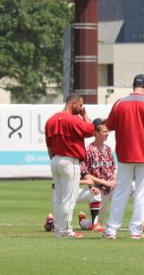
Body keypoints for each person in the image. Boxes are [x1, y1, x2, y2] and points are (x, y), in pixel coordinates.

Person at [103, 74, 144, 240]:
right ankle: (136, 230)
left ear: (133, 86)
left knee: (120, 192)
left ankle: (111, 230)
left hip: (125, 153)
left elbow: (109, 126)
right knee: (142, 193)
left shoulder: (120, 103)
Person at [44, 93, 95, 238]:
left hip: (55, 161)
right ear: (73, 103)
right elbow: (91, 130)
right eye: (80, 105)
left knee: (60, 198)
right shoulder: (74, 120)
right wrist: (85, 116)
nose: (81, 108)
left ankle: (59, 230)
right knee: (69, 198)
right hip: (70, 161)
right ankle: (66, 230)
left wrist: (54, 161)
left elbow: (49, 146)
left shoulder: (51, 120)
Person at [81, 118, 117, 230]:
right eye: (104, 132)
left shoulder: (108, 149)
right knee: (96, 223)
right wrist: (104, 182)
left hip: (110, 187)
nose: (107, 134)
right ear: (96, 133)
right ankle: (83, 222)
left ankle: (140, 222)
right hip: (97, 189)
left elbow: (113, 168)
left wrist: (113, 181)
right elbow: (85, 173)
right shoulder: (89, 150)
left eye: (107, 132)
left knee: (128, 191)